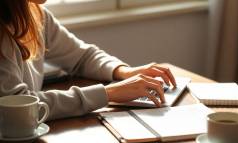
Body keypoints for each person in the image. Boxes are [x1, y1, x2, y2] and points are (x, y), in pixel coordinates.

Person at [0, 0, 177, 121]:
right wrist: (108, 93)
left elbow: (82, 56)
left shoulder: (36, 15)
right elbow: (19, 106)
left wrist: (124, 72)